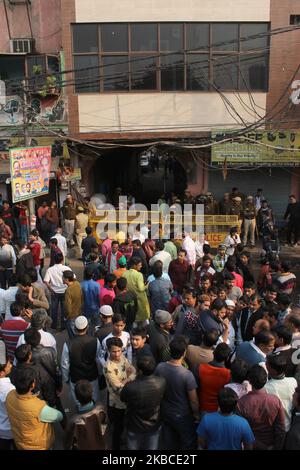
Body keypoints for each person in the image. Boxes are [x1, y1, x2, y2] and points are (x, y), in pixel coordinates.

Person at [155, 336, 199, 450]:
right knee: (187, 442)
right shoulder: (187, 375)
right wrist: (196, 414)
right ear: (184, 353)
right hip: (182, 414)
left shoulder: (160, 367)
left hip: (165, 411)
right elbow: (193, 400)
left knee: (169, 442)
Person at [6, 367, 63, 450]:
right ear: (32, 385)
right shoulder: (39, 407)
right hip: (40, 446)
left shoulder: (9, 395)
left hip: (20, 442)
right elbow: (59, 416)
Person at [120, 356, 166, 450]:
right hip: (154, 423)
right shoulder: (161, 382)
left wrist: (129, 378)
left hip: (134, 424)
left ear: (139, 370)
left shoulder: (131, 387)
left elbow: (122, 398)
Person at [237, 364, 286, 450]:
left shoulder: (241, 403)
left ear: (249, 381)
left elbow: (240, 431)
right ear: (265, 379)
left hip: (251, 445)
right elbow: (281, 429)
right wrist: (276, 447)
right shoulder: (275, 401)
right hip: (271, 445)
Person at [61, 315, 101, 408]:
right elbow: (98, 360)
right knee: (93, 398)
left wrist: (66, 378)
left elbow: (65, 364)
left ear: (74, 328)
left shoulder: (68, 344)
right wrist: (100, 373)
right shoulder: (95, 341)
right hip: (92, 376)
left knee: (79, 401)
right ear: (87, 327)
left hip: (76, 378)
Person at [103, 337, 136, 450]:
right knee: (117, 429)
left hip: (126, 400)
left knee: (124, 425)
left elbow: (133, 370)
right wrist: (129, 379)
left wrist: (126, 380)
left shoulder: (123, 357)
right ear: (108, 351)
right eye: (114, 351)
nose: (117, 354)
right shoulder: (108, 367)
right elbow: (118, 387)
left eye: (119, 350)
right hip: (116, 404)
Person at [64, 379, 107, 450]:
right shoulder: (101, 409)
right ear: (92, 393)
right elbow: (104, 427)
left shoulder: (73, 420)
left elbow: (68, 443)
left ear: (76, 397)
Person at [265, 353, 297, 431]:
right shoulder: (293, 381)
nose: (265, 364)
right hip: (290, 425)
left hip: (275, 428)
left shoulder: (266, 387)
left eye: (267, 364)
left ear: (273, 370)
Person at [198, 343, 232, 413]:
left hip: (201, 407)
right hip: (217, 410)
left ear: (213, 352)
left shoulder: (200, 368)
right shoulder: (228, 374)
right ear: (227, 358)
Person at [43, 253, 72, 331]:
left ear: (54, 260)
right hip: (65, 291)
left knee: (54, 309)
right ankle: (63, 326)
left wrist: (50, 288)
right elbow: (73, 278)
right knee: (64, 309)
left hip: (54, 292)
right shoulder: (67, 268)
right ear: (62, 260)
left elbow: (46, 281)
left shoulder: (50, 269)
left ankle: (53, 325)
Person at [122, 257, 150, 325]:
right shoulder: (138, 275)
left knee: (133, 319)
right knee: (144, 319)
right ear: (134, 265)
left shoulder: (124, 274)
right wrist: (146, 285)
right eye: (139, 265)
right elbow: (141, 288)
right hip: (140, 299)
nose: (141, 266)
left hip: (130, 299)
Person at [0, 357, 15, 450]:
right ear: (1, 373)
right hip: (9, 429)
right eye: (8, 364)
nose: (11, 365)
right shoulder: (10, 389)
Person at [63, 270, 83, 338]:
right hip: (79, 312)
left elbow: (68, 307)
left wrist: (66, 316)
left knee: (72, 335)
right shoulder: (77, 283)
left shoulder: (68, 291)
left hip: (71, 316)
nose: (62, 279)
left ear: (67, 279)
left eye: (63, 278)